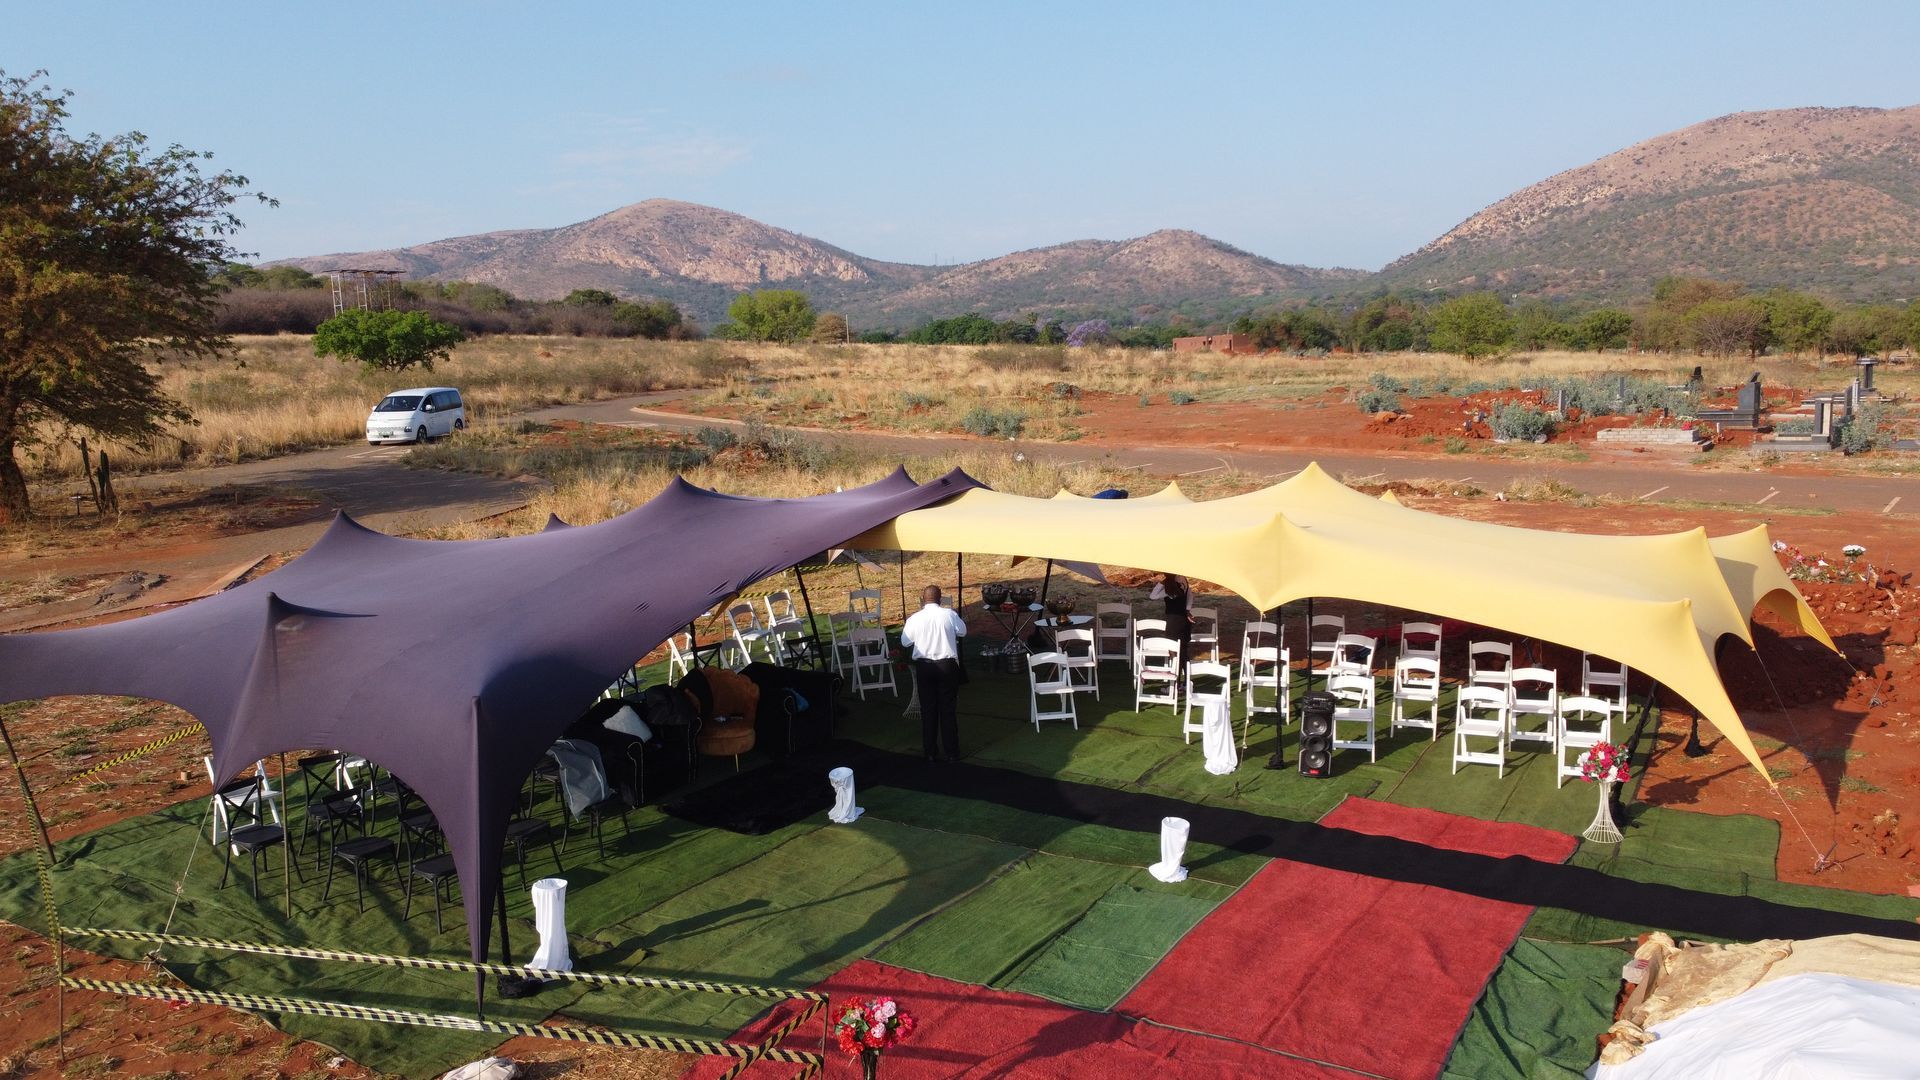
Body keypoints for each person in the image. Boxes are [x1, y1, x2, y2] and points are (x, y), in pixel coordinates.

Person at [901, 584, 968, 761]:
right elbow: (963, 631)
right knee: (948, 709)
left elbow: (905, 642)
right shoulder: (949, 614)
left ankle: (930, 752)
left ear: (923, 600)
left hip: (924, 666)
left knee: (928, 709)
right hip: (947, 666)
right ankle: (952, 753)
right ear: (940, 599)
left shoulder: (915, 618)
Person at [1150, 573, 1191, 676]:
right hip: (1183, 620)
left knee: (1174, 651)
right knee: (1183, 651)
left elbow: (1152, 596)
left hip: (1173, 622)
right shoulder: (1183, 584)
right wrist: (1187, 610)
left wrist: (1161, 583)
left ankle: (1177, 679)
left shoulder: (1168, 591)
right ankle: (1186, 678)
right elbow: (1190, 596)